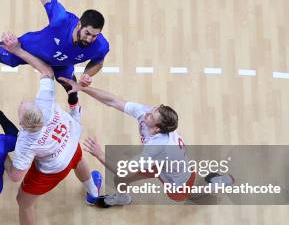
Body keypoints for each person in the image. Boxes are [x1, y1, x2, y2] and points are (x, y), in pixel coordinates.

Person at [0, 32, 102, 225]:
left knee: (23, 201)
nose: (25, 102)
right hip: (71, 140)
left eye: (22, 107)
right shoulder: (44, 105)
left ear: (23, 124)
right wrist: (18, 50)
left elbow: (15, 176)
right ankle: (93, 192)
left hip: (55, 165)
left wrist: (3, 156)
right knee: (79, 159)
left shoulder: (25, 141)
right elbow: (46, 71)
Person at [59, 78, 234, 204]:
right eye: (153, 109)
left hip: (177, 181)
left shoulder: (158, 146)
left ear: (157, 128)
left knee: (191, 195)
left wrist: (99, 153)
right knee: (121, 182)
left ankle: (218, 183)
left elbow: (121, 169)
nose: (147, 112)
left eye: (151, 114)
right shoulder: (148, 116)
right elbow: (112, 101)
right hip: (160, 164)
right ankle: (122, 198)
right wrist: (82, 88)